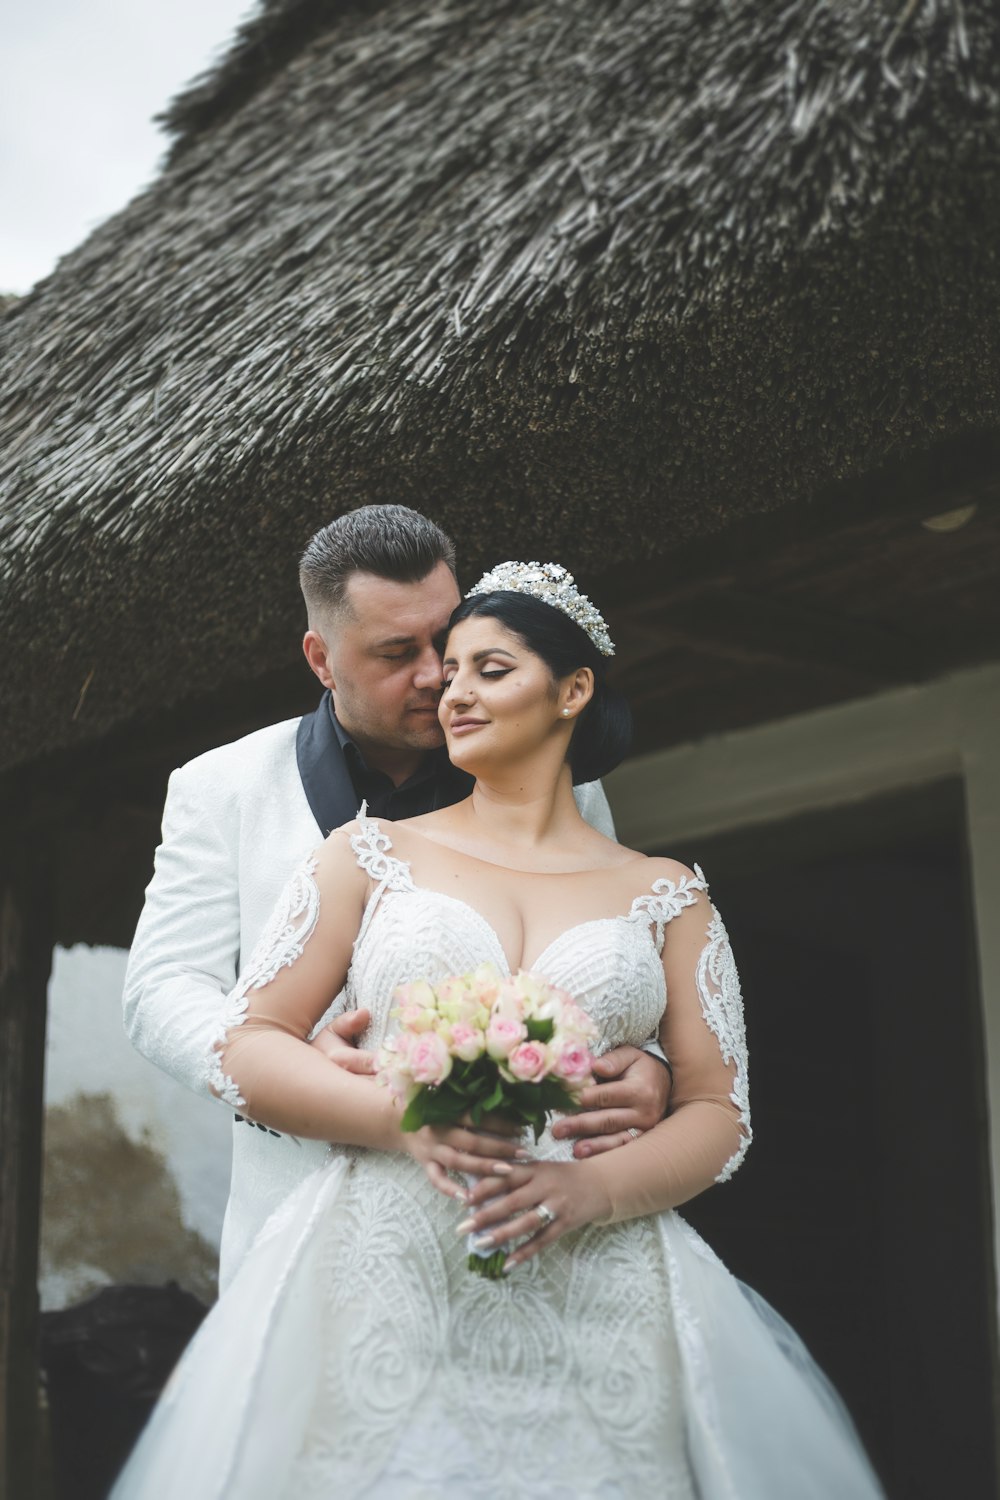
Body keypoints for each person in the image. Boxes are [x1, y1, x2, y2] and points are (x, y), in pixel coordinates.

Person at [113, 562, 885, 1499]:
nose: (448, 686)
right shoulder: (356, 852)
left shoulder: (667, 891)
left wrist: (602, 1165)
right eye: (434, 662)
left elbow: (717, 1105)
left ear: (573, 691)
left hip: (599, 1277)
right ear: (323, 656)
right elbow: (233, 1029)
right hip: (384, 1262)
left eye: (486, 667)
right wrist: (379, 1100)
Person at [123, 508, 671, 1287]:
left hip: (530, 1230)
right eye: (394, 652)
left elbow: (617, 962)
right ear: (321, 657)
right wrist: (278, 1066)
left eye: (445, 638)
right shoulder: (221, 787)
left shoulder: (558, 776)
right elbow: (160, 989)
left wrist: (650, 1064)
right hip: (306, 1236)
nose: (434, 673)